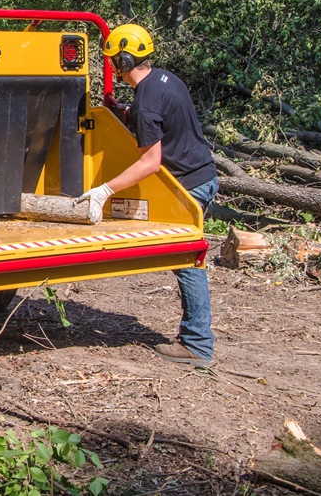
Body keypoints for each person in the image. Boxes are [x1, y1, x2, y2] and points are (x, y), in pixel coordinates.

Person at [77, 24, 219, 367]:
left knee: (185, 260)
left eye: (113, 60)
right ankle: (197, 340)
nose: (113, 65)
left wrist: (104, 190)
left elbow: (151, 162)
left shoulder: (146, 102)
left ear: (121, 61)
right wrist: (121, 111)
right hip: (205, 174)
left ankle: (198, 345)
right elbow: (160, 117)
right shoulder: (165, 80)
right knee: (185, 260)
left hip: (188, 186)